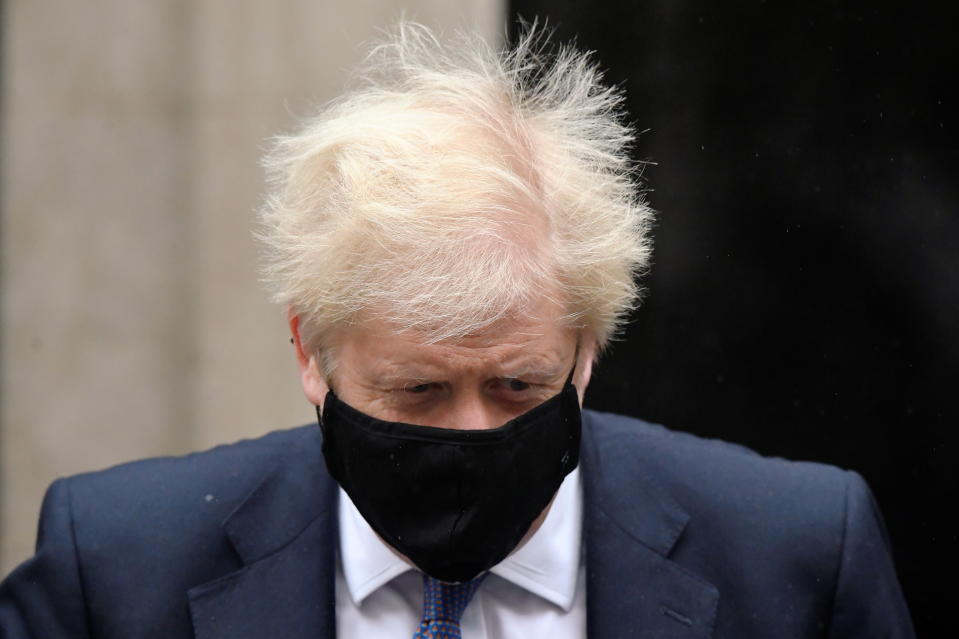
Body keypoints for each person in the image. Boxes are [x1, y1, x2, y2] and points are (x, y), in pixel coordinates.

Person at [0, 22, 914, 639]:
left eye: (518, 384)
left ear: (585, 351)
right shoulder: (115, 570)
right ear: (307, 353)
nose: (475, 431)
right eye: (418, 389)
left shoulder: (796, 557)